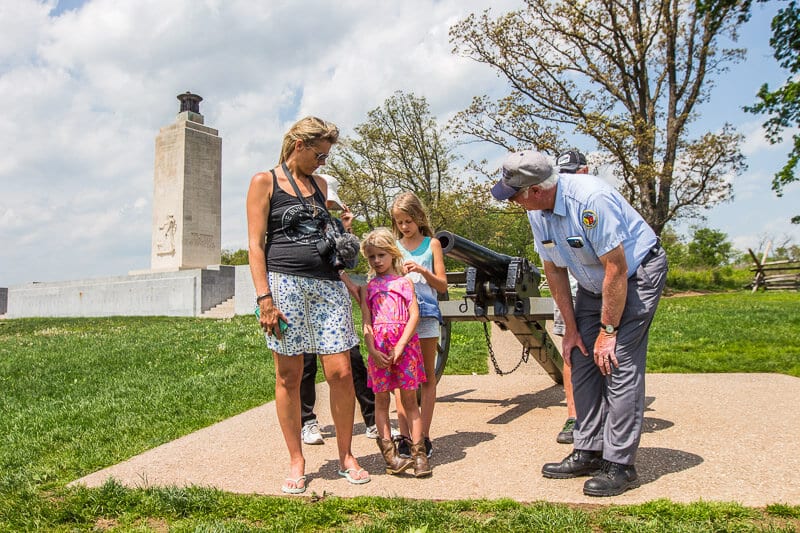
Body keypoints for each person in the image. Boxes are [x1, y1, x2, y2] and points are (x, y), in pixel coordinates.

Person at [491, 149, 667, 497]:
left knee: (617, 360)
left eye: (514, 195)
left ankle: (619, 464)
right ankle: (588, 449)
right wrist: (571, 330)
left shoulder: (590, 200)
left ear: (536, 190)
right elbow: (553, 270)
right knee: (580, 356)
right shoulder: (537, 210)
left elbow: (616, 269)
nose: (511, 202)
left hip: (634, 274)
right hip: (592, 279)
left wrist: (608, 332)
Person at [246, 116, 369, 495]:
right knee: (289, 375)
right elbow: (255, 245)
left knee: (342, 372)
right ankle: (297, 460)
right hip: (284, 285)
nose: (323, 162)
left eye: (326, 156)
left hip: (327, 285)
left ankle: (346, 456)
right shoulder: (264, 181)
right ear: (299, 145)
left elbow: (329, 234)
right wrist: (264, 298)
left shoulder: (320, 186)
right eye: (320, 154)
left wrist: (344, 229)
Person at [299, 174, 378, 444]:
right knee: (306, 362)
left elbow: (346, 262)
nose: (328, 204)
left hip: (333, 297)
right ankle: (307, 421)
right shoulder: (300, 221)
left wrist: (346, 231)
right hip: (305, 298)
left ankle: (372, 419)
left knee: (353, 360)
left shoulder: (334, 224)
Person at [359, 227, 431, 477]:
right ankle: (390, 454)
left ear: (392, 254)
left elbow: (414, 315)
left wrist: (401, 344)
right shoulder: (368, 288)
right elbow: (366, 321)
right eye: (371, 257)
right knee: (381, 400)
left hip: (406, 350)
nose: (377, 261)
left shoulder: (404, 282)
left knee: (410, 401)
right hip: (379, 352)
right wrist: (371, 348)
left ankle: (419, 454)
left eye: (381, 255)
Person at [390, 192, 447, 460]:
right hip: (401, 318)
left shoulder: (431, 244)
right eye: (400, 222)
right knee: (403, 379)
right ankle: (404, 435)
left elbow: (442, 285)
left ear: (418, 218)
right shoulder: (394, 246)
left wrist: (422, 271)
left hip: (426, 316)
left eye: (408, 221)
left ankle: (423, 434)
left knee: (426, 376)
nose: (404, 227)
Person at [551, 149, 588, 445]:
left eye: (571, 175)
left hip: (598, 287)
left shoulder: (592, 204)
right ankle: (574, 415)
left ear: (584, 173)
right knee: (569, 348)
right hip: (569, 287)